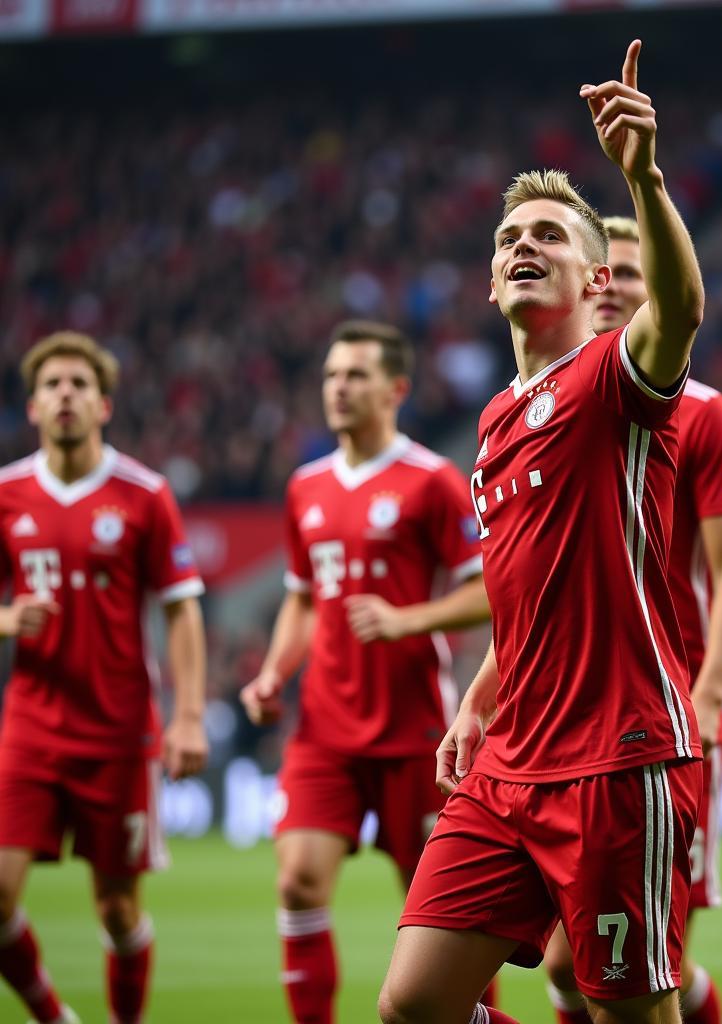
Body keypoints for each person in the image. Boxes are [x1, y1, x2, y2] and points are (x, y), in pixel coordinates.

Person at [378, 40, 706, 1024]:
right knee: (411, 1003)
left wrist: (642, 178)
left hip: (618, 754)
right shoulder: (486, 424)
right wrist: (475, 701)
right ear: (488, 284)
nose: (525, 244)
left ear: (596, 275)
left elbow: (682, 309)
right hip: (507, 759)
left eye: (551, 237)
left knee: (627, 1012)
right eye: (509, 237)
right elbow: (523, 587)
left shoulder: (612, 376)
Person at [240, 320, 490, 1024]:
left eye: (355, 375)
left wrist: (407, 619)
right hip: (324, 727)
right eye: (331, 376)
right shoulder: (305, 488)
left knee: (446, 919)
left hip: (415, 729)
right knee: (297, 881)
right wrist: (272, 672)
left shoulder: (433, 481)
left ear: (396, 389)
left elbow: (489, 591)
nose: (339, 388)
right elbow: (303, 600)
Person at [540, 216, 722, 1024]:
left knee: (641, 961)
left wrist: (711, 692)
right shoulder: (553, 403)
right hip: (571, 713)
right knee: (572, 965)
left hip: (667, 711)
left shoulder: (701, 411)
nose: (617, 287)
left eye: (634, 274)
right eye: (608, 271)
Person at [0, 331, 208, 1024]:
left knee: (118, 909)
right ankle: (54, 1016)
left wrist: (186, 716)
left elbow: (182, 610)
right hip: (31, 725)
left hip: (119, 733)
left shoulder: (144, 495)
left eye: (78, 385)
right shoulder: (6, 495)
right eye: (52, 385)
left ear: (104, 404)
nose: (65, 395)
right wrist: (5, 621)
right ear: (31, 408)